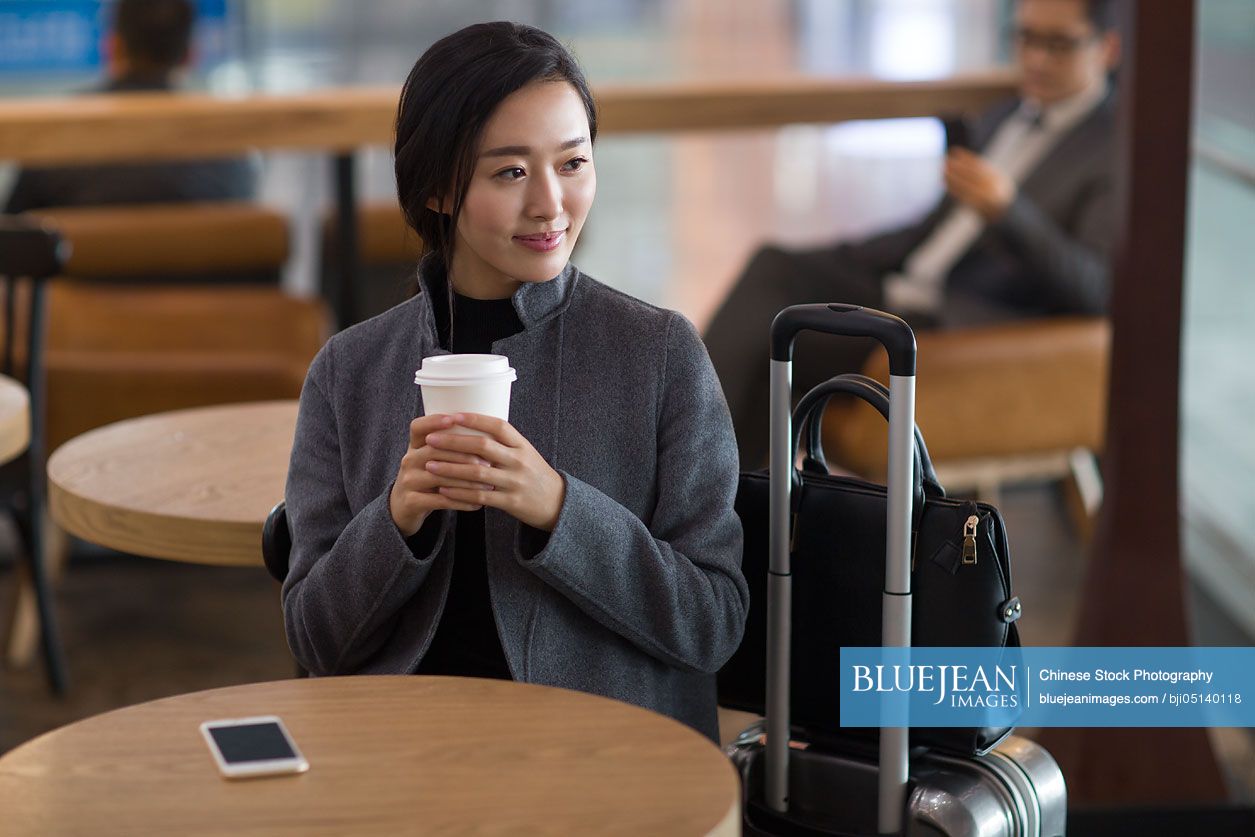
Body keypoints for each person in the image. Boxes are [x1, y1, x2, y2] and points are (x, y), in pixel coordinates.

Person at [280, 22, 747, 743]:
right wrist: (395, 519)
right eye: (511, 172)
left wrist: (560, 508)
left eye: (571, 163)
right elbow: (314, 641)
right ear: (437, 186)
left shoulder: (657, 354)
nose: (550, 205)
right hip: (403, 746)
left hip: (598, 751)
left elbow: (712, 621)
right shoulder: (350, 370)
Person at [704, 0, 1121, 468]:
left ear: (1107, 48)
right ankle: (726, 499)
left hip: (958, 323)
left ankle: (700, 490)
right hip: (905, 287)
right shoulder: (1004, 117)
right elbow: (933, 230)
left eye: (1058, 44)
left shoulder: (1113, 148)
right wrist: (839, 257)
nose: (1036, 59)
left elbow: (1095, 289)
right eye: (1026, 38)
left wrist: (1007, 211)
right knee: (774, 263)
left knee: (773, 334)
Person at [3, 0, 256, 214]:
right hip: (209, 273)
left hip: (87, 272)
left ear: (113, 47)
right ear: (191, 54)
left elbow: (14, 235)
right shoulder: (228, 146)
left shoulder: (58, 132)